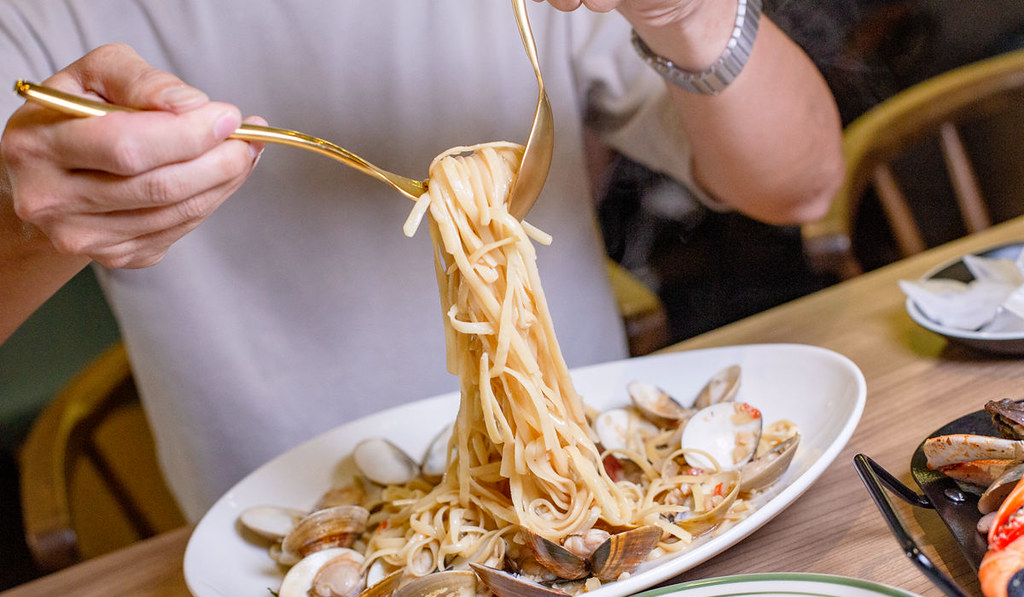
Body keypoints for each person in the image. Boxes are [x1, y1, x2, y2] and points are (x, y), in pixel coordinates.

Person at [0, 0, 843, 521]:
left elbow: (802, 185)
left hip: (593, 499)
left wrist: (689, 14)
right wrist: (27, 227)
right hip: (283, 552)